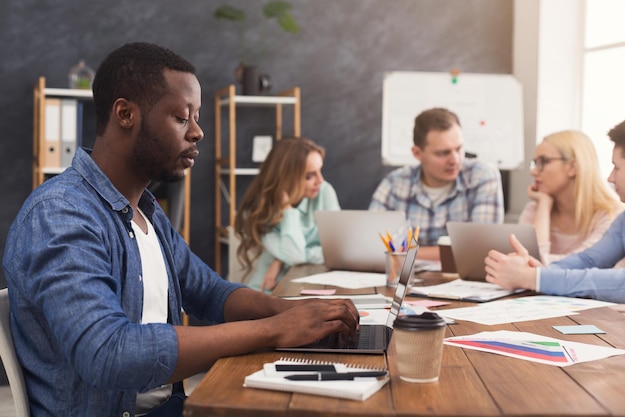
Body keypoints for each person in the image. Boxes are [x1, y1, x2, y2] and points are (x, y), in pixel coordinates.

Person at [2, 42, 359, 417]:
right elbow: (108, 353)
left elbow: (210, 292)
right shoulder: (61, 215)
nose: (198, 132)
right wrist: (274, 329)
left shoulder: (147, 212)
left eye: (197, 116)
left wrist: (293, 312)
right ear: (125, 114)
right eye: (181, 117)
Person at [485, 121, 625, 304]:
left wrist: (533, 277)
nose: (610, 177)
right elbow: (590, 260)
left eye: (617, 167)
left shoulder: (611, 212)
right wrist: (535, 271)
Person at [369, 107, 504, 260]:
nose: (455, 160)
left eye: (459, 149)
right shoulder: (395, 183)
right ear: (417, 153)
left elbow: (479, 249)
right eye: (443, 153)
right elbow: (372, 244)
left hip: (462, 281)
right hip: (406, 280)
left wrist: (404, 254)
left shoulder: (482, 176)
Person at [234, 137, 340, 292]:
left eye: (320, 171)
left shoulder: (325, 192)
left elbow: (337, 251)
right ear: (287, 179)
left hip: (311, 285)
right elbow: (296, 256)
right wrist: (287, 210)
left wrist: (279, 260)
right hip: (269, 288)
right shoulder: (261, 209)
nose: (320, 180)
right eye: (309, 176)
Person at [520, 130, 623, 264]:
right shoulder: (535, 209)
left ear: (573, 167)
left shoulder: (611, 215)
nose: (533, 171)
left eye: (543, 161)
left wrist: (529, 263)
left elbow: (582, 266)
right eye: (535, 163)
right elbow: (525, 262)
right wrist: (543, 206)